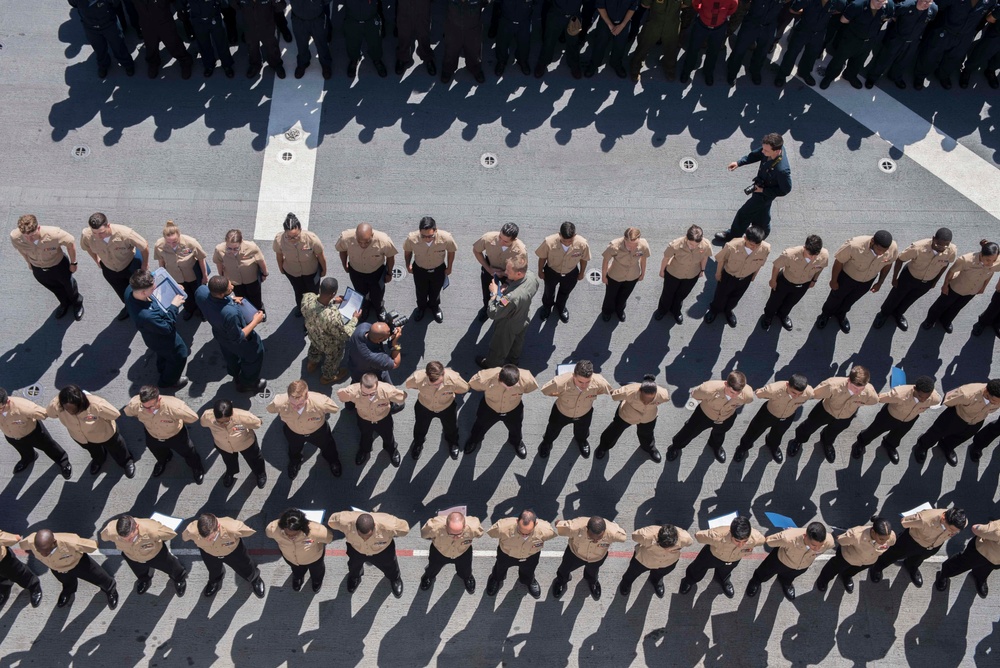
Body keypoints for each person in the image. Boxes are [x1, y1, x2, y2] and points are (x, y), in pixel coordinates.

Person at [786, 366, 878, 463]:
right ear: (848, 380)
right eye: (855, 388)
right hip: (825, 411)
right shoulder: (832, 384)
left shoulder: (869, 390)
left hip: (845, 416)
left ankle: (827, 443)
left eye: (861, 389)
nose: (857, 392)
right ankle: (798, 440)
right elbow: (816, 394)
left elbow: (874, 400)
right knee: (808, 427)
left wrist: (860, 403)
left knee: (833, 432)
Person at [873, 228, 957, 331]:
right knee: (895, 297)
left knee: (911, 299)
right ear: (933, 239)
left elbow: (945, 265)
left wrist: (935, 281)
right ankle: (883, 314)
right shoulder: (918, 247)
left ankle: (898, 314)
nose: (942, 248)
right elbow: (900, 259)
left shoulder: (951, 250)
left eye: (946, 245)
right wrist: (895, 278)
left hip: (927, 281)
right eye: (939, 244)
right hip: (909, 277)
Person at [195, 276, 267, 392]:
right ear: (220, 294)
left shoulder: (201, 292)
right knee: (254, 355)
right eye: (229, 289)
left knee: (230, 356)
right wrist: (255, 321)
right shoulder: (230, 314)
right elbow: (239, 336)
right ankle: (247, 382)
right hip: (237, 340)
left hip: (220, 334)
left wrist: (231, 299)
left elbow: (213, 302)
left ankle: (235, 373)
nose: (232, 287)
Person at [817, 230, 898, 334]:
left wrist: (880, 282)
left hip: (867, 281)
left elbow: (888, 264)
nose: (881, 253)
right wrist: (834, 280)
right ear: (872, 241)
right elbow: (839, 262)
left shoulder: (892, 247)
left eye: (884, 251)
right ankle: (825, 314)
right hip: (847, 278)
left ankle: (841, 315)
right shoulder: (854, 245)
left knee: (851, 300)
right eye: (879, 249)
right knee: (836, 297)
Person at [716, 134, 791, 242]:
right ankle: (762, 233)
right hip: (759, 187)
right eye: (763, 148)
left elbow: (785, 190)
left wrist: (763, 191)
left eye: (766, 151)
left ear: (776, 151)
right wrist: (739, 163)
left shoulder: (782, 170)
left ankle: (733, 236)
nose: (763, 152)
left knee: (744, 213)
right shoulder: (770, 149)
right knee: (762, 214)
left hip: (765, 194)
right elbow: (755, 155)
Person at [47, 385, 135, 478]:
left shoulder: (96, 404)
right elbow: (50, 413)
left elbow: (115, 414)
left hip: (104, 434)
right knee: (94, 451)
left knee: (117, 448)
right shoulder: (57, 405)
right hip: (81, 438)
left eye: (73, 409)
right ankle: (99, 459)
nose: (70, 412)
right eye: (67, 409)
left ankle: (126, 461)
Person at [667, 371, 754, 464]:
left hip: (726, 417)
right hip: (704, 415)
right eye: (731, 392)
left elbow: (743, 402)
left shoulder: (747, 394)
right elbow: (695, 395)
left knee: (719, 434)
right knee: (689, 431)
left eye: (738, 393)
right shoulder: (708, 389)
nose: (734, 396)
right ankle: (675, 446)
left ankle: (715, 446)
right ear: (725, 384)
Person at [10, 214, 84, 321]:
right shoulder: (15, 237)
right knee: (53, 287)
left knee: (69, 285)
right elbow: (21, 250)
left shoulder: (54, 234)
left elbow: (70, 242)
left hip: (58, 265)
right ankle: (64, 303)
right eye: (25, 236)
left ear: (38, 228)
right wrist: (28, 262)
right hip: (38, 267)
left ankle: (77, 302)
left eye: (32, 235)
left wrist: (73, 263)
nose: (29, 239)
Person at [125, 269, 190, 390]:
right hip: (163, 339)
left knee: (164, 356)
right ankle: (168, 381)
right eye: (152, 289)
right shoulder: (147, 316)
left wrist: (173, 288)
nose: (154, 289)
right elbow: (167, 327)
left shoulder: (131, 289)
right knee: (180, 355)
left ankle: (162, 368)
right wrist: (174, 306)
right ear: (144, 293)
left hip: (152, 337)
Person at [124, 385, 205, 482]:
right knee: (158, 453)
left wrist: (178, 422)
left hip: (176, 436)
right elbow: (129, 412)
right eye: (145, 407)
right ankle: (163, 460)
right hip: (152, 435)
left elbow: (193, 417)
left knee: (189, 452)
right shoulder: (136, 404)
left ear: (159, 399)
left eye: (151, 406)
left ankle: (197, 468)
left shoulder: (174, 407)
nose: (149, 411)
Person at [20, 529, 117, 609]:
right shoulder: (31, 542)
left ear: (54, 542)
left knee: (99, 577)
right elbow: (23, 545)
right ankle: (68, 591)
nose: (43, 554)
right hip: (57, 569)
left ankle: (110, 589)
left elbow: (92, 546)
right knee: (66, 582)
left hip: (78, 564)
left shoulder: (71, 542)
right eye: (39, 551)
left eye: (46, 551)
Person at [851, 376, 939, 464]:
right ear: (915, 389)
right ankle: (861, 443)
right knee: (874, 431)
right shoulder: (898, 394)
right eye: (920, 396)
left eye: (926, 397)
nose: (923, 400)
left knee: (898, 435)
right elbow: (878, 398)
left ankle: (889, 445)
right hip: (889, 416)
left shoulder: (935, 399)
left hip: (909, 420)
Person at [913, 0, 999, 90]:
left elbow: (988, 14)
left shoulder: (990, 1)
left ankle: (943, 75)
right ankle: (920, 75)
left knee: (954, 58)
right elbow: (939, 6)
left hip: (965, 35)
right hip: (946, 30)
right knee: (930, 54)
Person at [870, 507, 966, 586]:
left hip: (933, 546)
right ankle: (878, 568)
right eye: (951, 529)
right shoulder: (924, 519)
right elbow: (904, 522)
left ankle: (911, 567)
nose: (953, 533)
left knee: (918, 559)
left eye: (956, 532)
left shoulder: (961, 522)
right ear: (944, 518)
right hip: (911, 542)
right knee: (892, 555)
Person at [266, 379, 343, 478]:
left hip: (318, 431)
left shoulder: (320, 402)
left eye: (300, 404)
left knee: (328, 447)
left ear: (307, 396)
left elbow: (334, 409)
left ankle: (333, 461)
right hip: (293, 431)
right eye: (292, 404)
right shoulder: (279, 402)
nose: (296, 408)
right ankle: (295, 462)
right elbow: (270, 409)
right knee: (294, 449)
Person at [914, 380, 1000, 466]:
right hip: (956, 417)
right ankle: (923, 446)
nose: (997, 404)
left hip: (977, 421)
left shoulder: (998, 399)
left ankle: (946, 447)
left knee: (962, 437)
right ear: (986, 392)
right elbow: (949, 401)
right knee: (937, 432)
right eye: (994, 401)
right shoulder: (967, 393)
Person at [80, 212, 149, 321]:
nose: (98, 236)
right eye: (94, 233)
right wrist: (96, 260)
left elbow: (144, 246)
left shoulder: (125, 233)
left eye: (101, 233)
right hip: (109, 268)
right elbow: (87, 247)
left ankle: (146, 307)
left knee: (141, 288)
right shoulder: (87, 235)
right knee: (121, 291)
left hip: (131, 263)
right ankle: (129, 306)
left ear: (108, 225)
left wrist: (145, 264)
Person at [538, 360, 613, 459]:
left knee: (583, 431)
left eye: (587, 382)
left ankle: (582, 441)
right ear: (574, 375)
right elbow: (545, 391)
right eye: (580, 381)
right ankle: (547, 443)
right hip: (561, 412)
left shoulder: (599, 381)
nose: (584, 386)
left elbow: (607, 390)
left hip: (584, 413)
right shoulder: (560, 382)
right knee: (552, 430)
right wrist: (559, 394)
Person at [476, 255, 540, 368]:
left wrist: (494, 294)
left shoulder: (510, 298)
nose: (505, 272)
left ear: (519, 274)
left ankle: (491, 364)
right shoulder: (531, 277)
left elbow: (493, 313)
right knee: (517, 342)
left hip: (507, 324)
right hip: (523, 317)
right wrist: (509, 283)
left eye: (508, 271)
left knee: (499, 345)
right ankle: (514, 361)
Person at [328, 511, 410, 598]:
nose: (365, 539)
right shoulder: (344, 521)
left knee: (390, 565)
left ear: (374, 526)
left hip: (382, 550)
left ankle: (394, 578)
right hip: (357, 549)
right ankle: (355, 577)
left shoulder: (389, 524)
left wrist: (392, 532)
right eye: (361, 536)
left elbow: (405, 529)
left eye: (368, 536)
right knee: (353, 566)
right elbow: (332, 521)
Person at [923, 240, 1000, 333]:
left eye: (994, 260)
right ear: (981, 254)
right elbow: (951, 271)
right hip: (956, 288)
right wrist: (945, 285)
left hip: (972, 291)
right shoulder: (965, 260)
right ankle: (930, 320)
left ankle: (946, 321)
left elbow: (990, 273)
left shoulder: (996, 261)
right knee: (941, 305)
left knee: (957, 307)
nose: (991, 263)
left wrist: (983, 287)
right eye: (988, 260)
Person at [734, 374, 813, 464]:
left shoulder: (809, 392)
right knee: (754, 431)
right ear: (787, 385)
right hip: (768, 414)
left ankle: (773, 446)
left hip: (787, 416)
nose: (796, 396)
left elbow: (814, 394)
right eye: (793, 392)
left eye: (800, 394)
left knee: (778, 434)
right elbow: (759, 393)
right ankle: (743, 447)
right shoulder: (773, 389)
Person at [100, 515, 188, 596]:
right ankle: (145, 579)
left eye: (131, 538)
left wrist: (157, 537)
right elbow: (103, 537)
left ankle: (179, 578)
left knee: (171, 566)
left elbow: (170, 534)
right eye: (123, 539)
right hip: (132, 556)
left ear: (137, 527)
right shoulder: (110, 531)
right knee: (139, 571)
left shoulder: (152, 529)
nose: (128, 541)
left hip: (155, 554)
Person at [464, 364, 539, 458]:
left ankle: (516, 442)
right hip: (490, 408)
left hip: (513, 408)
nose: (509, 389)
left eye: (512, 386)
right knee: (480, 425)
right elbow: (473, 384)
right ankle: (474, 440)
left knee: (516, 427)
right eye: (506, 386)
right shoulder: (485, 377)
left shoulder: (527, 379)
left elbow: (530, 388)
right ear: (499, 378)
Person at [182, 513, 265, 598]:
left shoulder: (233, 528)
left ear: (217, 527)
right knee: (213, 569)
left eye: (211, 538)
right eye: (204, 537)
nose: (208, 540)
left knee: (246, 567)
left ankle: (255, 579)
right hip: (209, 553)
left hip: (233, 552)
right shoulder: (191, 530)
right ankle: (215, 580)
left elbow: (248, 532)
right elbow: (184, 537)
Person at [680, 516, 765, 598]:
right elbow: (698, 536)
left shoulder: (756, 537)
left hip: (733, 559)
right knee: (697, 568)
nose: (741, 545)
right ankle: (689, 580)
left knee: (725, 572)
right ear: (731, 534)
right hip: (712, 556)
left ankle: (723, 580)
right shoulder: (717, 535)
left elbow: (762, 541)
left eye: (745, 541)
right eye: (737, 541)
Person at [746, 522, 834, 601]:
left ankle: (786, 583)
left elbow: (831, 544)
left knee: (789, 577)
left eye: (820, 545)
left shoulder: (829, 541)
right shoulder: (788, 538)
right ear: (805, 536)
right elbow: (769, 541)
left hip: (801, 566)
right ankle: (756, 581)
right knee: (764, 572)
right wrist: (784, 535)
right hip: (780, 561)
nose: (817, 549)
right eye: (814, 545)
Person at [0, 387, 73, 479]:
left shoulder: (24, 407)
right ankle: (29, 458)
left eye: (0, 408)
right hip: (11, 436)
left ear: (7, 402)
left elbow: (45, 413)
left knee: (49, 447)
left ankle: (63, 461)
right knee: (23, 449)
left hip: (33, 433)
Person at [705, 226, 771, 327]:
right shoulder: (732, 246)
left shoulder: (766, 248)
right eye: (751, 245)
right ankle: (714, 310)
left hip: (746, 278)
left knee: (736, 296)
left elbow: (760, 264)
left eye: (757, 245)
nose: (754, 248)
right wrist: (718, 273)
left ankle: (728, 310)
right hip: (729, 276)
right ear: (745, 238)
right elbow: (721, 260)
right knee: (721, 295)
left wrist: (754, 276)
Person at [818, 0, 893, 89]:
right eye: (878, 1)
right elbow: (843, 20)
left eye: (883, 1)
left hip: (869, 40)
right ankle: (829, 77)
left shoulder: (889, 6)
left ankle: (850, 75)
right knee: (839, 60)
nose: (881, 4)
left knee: (858, 61)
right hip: (851, 39)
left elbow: (886, 18)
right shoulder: (857, 5)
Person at [337, 373, 407, 467]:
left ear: (377, 385)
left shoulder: (386, 389)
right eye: (364, 393)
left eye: (372, 393)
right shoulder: (353, 390)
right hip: (364, 419)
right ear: (360, 386)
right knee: (365, 436)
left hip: (383, 418)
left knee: (388, 436)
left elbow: (402, 396)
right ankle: (364, 450)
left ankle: (391, 450)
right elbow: (341, 395)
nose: (369, 397)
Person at [760, 235, 828, 331]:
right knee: (774, 301)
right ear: (804, 248)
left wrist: (814, 280)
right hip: (785, 281)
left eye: (815, 255)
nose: (813, 258)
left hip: (804, 284)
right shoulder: (789, 254)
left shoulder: (824, 255)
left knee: (791, 302)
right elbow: (776, 266)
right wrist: (773, 280)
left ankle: (783, 315)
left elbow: (820, 268)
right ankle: (768, 317)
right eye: (810, 255)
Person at [596, 374, 671, 462]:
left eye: (651, 399)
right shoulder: (629, 391)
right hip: (627, 415)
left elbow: (666, 399)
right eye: (644, 398)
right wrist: (625, 395)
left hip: (648, 417)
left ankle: (649, 448)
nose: (646, 402)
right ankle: (604, 446)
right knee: (614, 430)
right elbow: (615, 396)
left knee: (647, 434)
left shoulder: (663, 395)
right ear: (639, 390)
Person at [864, 0, 937, 88]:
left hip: (912, 41)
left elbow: (929, 21)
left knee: (903, 61)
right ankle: (872, 77)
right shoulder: (906, 6)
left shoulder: (933, 9)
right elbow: (893, 16)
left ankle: (895, 76)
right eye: (925, 1)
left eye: (929, 2)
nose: (927, 5)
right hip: (897, 38)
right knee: (885, 58)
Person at [405, 361, 470, 460]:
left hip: (446, 407)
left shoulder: (454, 379)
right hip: (424, 406)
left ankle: (453, 442)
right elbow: (409, 385)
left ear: (443, 373)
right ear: (426, 374)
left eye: (439, 383)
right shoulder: (418, 377)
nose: (436, 386)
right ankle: (418, 443)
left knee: (451, 427)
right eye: (432, 384)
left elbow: (464, 388)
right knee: (420, 427)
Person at [486, 510, 558, 598]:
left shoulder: (546, 530)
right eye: (521, 531)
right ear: (517, 521)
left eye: (528, 532)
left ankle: (528, 581)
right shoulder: (502, 527)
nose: (524, 535)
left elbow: (551, 535)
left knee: (529, 571)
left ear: (536, 524)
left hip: (530, 555)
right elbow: (491, 533)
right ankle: (496, 579)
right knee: (499, 568)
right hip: (507, 554)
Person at [552, 516, 627, 600]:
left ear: (605, 530)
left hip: (596, 558)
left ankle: (592, 582)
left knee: (593, 572)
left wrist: (615, 527)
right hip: (575, 554)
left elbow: (623, 535)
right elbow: (558, 525)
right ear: (586, 529)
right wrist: (559, 523)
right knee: (564, 570)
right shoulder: (574, 527)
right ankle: (561, 581)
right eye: (591, 537)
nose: (595, 541)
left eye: (599, 538)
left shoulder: (613, 532)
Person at [302, 277, 360, 384]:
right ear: (333, 293)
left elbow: (317, 301)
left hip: (313, 335)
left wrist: (332, 300)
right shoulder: (332, 317)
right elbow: (345, 334)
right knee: (333, 358)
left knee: (314, 347)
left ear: (320, 288)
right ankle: (327, 376)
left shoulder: (307, 298)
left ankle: (312, 362)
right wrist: (355, 319)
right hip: (329, 344)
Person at [335, 223, 398, 321]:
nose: (363, 245)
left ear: (372, 235)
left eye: (367, 242)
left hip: (376, 272)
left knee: (378, 293)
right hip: (356, 271)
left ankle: (379, 308)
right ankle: (364, 307)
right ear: (355, 235)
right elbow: (342, 251)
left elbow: (390, 257)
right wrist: (344, 265)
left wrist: (389, 273)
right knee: (360, 292)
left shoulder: (384, 241)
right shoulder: (345, 238)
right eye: (360, 242)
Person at [775, 0, 847, 86]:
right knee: (791, 53)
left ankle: (804, 72)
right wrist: (803, 13)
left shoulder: (838, 2)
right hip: (802, 30)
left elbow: (839, 9)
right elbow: (793, 9)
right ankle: (782, 74)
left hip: (819, 33)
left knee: (811, 55)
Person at [816, 516, 896, 594]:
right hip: (847, 557)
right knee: (833, 568)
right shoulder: (856, 534)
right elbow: (841, 540)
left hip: (868, 561)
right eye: (881, 539)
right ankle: (823, 580)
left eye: (887, 539)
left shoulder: (890, 536)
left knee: (853, 571)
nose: (884, 542)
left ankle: (846, 576)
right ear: (873, 532)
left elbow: (891, 542)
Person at [200, 398, 268, 489]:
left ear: (231, 414)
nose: (223, 425)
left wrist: (238, 428)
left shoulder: (244, 416)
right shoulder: (207, 416)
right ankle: (231, 473)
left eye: (226, 421)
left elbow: (257, 423)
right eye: (219, 422)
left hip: (246, 443)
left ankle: (260, 473)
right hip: (223, 445)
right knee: (229, 461)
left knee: (255, 459)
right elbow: (203, 423)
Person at [653, 225, 712, 324]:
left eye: (696, 245)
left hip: (692, 275)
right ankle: (662, 310)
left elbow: (704, 258)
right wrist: (662, 271)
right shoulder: (675, 245)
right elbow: (666, 258)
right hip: (673, 274)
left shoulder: (706, 245)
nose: (693, 247)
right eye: (691, 244)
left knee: (682, 294)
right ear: (686, 238)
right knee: (668, 294)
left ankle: (676, 311)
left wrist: (702, 270)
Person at [403, 217, 457, 323]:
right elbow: (407, 251)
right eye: (424, 236)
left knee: (435, 290)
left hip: (438, 269)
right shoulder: (411, 238)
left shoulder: (446, 238)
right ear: (419, 231)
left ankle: (435, 306)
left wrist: (449, 267)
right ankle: (421, 308)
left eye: (430, 236)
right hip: (420, 269)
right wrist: (407, 264)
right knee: (420, 290)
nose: (427, 239)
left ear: (435, 230)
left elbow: (451, 251)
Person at [266, 508, 334, 593]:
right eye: (287, 533)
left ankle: (317, 580)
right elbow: (269, 533)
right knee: (296, 570)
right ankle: (298, 577)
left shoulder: (317, 531)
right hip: (291, 558)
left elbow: (329, 538)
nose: (291, 537)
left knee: (317, 571)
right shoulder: (272, 529)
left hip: (314, 558)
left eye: (295, 534)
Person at [536, 222, 591, 323]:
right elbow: (542, 257)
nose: (567, 243)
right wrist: (540, 271)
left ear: (575, 235)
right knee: (549, 292)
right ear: (559, 234)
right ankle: (547, 307)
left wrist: (582, 272)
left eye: (570, 241)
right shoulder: (549, 242)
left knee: (565, 292)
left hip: (571, 273)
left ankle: (560, 307)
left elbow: (584, 259)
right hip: (552, 272)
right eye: (564, 240)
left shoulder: (582, 244)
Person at [154, 220, 209, 321]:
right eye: (168, 242)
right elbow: (161, 262)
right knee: (183, 295)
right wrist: (162, 277)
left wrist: (205, 276)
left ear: (179, 235)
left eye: (174, 242)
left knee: (200, 295)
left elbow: (201, 258)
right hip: (176, 277)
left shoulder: (191, 243)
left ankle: (203, 311)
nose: (172, 245)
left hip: (192, 275)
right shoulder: (159, 245)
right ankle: (189, 309)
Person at [274, 212, 326, 317]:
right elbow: (279, 255)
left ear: (301, 230)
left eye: (296, 236)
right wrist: (281, 268)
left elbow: (320, 255)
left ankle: (314, 312)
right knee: (298, 291)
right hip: (292, 272)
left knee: (313, 293)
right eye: (289, 237)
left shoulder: (312, 239)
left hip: (311, 271)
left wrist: (324, 270)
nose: (293, 240)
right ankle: (301, 308)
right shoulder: (279, 240)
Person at [472, 223, 528, 321]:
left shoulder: (521, 250)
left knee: (507, 296)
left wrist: (506, 283)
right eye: (500, 237)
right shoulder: (487, 238)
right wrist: (488, 269)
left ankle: (502, 311)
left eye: (505, 241)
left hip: (509, 275)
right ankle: (486, 308)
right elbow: (476, 250)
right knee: (487, 292)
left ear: (514, 240)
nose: (501, 242)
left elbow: (520, 270)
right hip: (490, 268)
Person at [618, 524, 692, 597]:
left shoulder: (685, 538)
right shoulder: (646, 534)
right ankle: (626, 583)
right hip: (643, 560)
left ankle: (656, 580)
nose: (666, 549)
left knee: (659, 574)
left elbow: (689, 543)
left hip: (667, 562)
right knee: (632, 573)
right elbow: (634, 536)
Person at [726, 0, 790, 85]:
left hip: (769, 25)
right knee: (740, 49)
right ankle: (732, 72)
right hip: (752, 22)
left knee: (762, 52)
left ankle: (755, 71)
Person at [68, 0, 136, 78]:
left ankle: (127, 64)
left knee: (118, 45)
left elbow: (115, 3)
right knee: (99, 49)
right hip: (90, 27)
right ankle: (104, 65)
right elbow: (73, 4)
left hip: (109, 24)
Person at [420, 511, 484, 594]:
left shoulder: (473, 526)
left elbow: (479, 534)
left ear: (464, 526)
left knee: (466, 568)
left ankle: (467, 577)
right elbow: (424, 534)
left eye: (459, 534)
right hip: (440, 551)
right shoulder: (434, 526)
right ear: (446, 526)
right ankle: (428, 576)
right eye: (452, 534)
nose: (456, 538)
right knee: (433, 567)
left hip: (462, 551)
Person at [936, 517, 1000, 597]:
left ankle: (979, 577)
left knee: (985, 570)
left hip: (996, 560)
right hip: (980, 552)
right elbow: (976, 529)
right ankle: (944, 574)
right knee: (960, 564)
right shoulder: (998, 529)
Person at [213, 229, 269, 320]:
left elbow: (261, 261)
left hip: (251, 279)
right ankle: (246, 314)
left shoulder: (251, 247)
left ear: (241, 242)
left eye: (236, 248)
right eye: (229, 248)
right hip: (234, 280)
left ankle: (259, 311)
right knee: (240, 298)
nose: (232, 251)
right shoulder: (219, 249)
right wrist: (223, 278)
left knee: (255, 296)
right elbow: (219, 264)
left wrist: (265, 273)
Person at [131, 0, 195, 79]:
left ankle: (185, 61)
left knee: (173, 42)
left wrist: (181, 10)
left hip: (163, 19)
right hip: (146, 21)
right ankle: (153, 63)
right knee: (151, 44)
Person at [600, 227, 650, 322]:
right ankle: (607, 311)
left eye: (635, 245)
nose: (632, 248)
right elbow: (606, 260)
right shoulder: (614, 246)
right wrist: (603, 276)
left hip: (633, 275)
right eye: (629, 245)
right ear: (624, 239)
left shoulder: (643, 245)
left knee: (624, 295)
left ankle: (620, 310)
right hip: (615, 275)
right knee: (610, 296)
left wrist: (643, 273)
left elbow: (643, 259)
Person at [628, 0, 686, 82]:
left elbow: (687, 4)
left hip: (672, 24)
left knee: (671, 47)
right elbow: (645, 4)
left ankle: (670, 68)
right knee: (644, 44)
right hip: (654, 22)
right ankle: (635, 66)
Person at [179, 0, 235, 78]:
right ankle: (209, 64)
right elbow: (181, 4)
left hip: (214, 17)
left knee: (221, 42)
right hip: (197, 19)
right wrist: (189, 8)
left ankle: (227, 64)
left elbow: (225, 4)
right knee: (203, 43)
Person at [584, 0, 639, 78]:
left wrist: (622, 25)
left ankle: (616, 63)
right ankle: (594, 64)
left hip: (624, 22)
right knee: (600, 44)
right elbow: (600, 6)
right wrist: (610, 25)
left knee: (620, 45)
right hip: (605, 21)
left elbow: (633, 7)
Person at [233, 0, 286, 78]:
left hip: (267, 26)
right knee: (252, 47)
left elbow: (281, 6)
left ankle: (276, 64)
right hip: (249, 26)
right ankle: (255, 64)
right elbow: (235, 5)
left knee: (272, 46)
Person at [535, 0, 585, 79]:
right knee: (549, 41)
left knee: (573, 42)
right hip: (556, 14)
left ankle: (574, 64)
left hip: (574, 16)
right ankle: (543, 62)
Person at [288, 0, 333, 79]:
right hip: (298, 18)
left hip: (317, 18)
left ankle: (325, 64)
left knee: (321, 43)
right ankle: (303, 62)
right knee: (301, 44)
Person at [344, 0, 388, 77]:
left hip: (371, 17)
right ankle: (354, 59)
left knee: (375, 41)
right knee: (352, 41)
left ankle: (377, 59)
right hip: (352, 18)